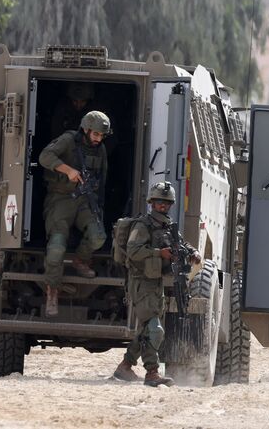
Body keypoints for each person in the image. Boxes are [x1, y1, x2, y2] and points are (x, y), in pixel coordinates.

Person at [113, 182, 201, 387]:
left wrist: (193, 252)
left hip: (155, 283)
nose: (163, 205)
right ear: (152, 202)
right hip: (141, 282)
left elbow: (181, 244)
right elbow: (133, 250)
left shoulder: (167, 225)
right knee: (155, 329)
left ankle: (125, 366)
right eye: (159, 202)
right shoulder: (142, 225)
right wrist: (157, 253)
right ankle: (151, 373)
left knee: (146, 328)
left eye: (166, 202)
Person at [37, 111, 111, 317]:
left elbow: (102, 178)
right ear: (86, 129)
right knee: (56, 246)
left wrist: (99, 204)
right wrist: (67, 170)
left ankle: (81, 260)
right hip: (60, 199)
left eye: (102, 136)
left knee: (98, 237)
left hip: (85, 200)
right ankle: (52, 291)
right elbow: (44, 156)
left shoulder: (101, 149)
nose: (98, 139)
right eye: (95, 134)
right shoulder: (69, 140)